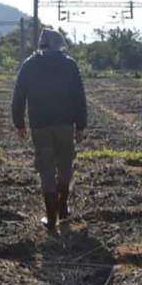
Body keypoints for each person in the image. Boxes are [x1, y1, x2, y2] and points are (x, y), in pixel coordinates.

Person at [11, 27, 87, 233]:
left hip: (40, 125)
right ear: (59, 45)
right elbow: (79, 97)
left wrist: (19, 123)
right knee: (65, 166)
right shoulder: (70, 65)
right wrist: (80, 126)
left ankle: (51, 216)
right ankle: (62, 206)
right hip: (65, 123)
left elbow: (18, 96)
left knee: (45, 168)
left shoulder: (29, 65)